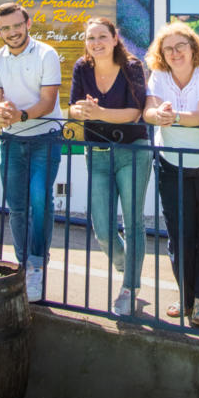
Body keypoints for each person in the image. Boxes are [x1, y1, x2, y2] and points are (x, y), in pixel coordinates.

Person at [143, 21, 199, 328]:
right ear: (161, 54)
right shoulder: (158, 76)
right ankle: (186, 297)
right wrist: (158, 114)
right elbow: (149, 111)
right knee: (179, 233)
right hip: (172, 163)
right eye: (167, 48)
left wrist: (173, 116)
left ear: (193, 48)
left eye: (180, 46)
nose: (174, 52)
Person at [68, 17, 150, 317]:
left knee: (133, 222)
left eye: (102, 36)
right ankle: (126, 264)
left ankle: (129, 286)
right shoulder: (82, 67)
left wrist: (98, 112)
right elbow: (72, 108)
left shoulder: (132, 67)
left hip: (133, 151)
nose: (96, 43)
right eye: (91, 38)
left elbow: (134, 114)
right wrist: (82, 110)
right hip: (98, 153)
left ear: (115, 38)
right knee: (102, 228)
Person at [0, 2, 65, 303]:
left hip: (45, 138)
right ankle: (22, 263)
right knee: (17, 206)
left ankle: (36, 264)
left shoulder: (46, 54)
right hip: (10, 140)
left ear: (27, 23)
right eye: (5, 28)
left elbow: (47, 101)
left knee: (39, 201)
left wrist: (19, 116)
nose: (12, 32)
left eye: (17, 25)